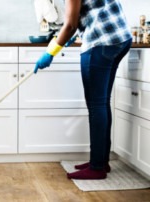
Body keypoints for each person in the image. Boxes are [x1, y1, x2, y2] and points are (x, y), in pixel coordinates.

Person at [34, 0, 132, 180]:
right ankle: (101, 161)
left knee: (96, 106)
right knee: (102, 103)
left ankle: (97, 168)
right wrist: (76, 30)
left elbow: (70, 24)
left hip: (101, 41)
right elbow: (87, 13)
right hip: (120, 38)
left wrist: (51, 52)